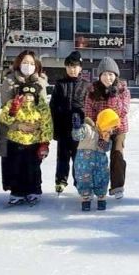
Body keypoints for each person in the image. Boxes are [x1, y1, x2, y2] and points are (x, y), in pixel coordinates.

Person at [0, 50, 49, 194]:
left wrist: (40, 126)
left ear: (37, 65)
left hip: (34, 132)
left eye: (32, 63)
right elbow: (5, 109)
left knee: (33, 163)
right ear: (19, 63)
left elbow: (43, 107)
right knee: (15, 163)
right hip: (14, 131)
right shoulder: (9, 81)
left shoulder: (40, 82)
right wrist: (17, 125)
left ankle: (34, 190)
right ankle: (17, 191)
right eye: (25, 62)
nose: (28, 66)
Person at [0, 82, 53, 205]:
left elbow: (47, 125)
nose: (28, 98)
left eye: (31, 95)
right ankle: (17, 192)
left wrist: (45, 143)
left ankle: (34, 191)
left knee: (32, 168)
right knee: (16, 167)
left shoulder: (42, 106)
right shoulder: (12, 104)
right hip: (15, 141)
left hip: (34, 143)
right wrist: (13, 111)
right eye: (25, 95)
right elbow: (4, 119)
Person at [84, 57, 130, 199]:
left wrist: (113, 95)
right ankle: (95, 185)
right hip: (100, 129)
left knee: (117, 154)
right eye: (104, 74)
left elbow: (123, 111)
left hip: (118, 128)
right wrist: (96, 128)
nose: (107, 77)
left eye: (111, 74)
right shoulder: (92, 90)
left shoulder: (122, 90)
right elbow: (88, 112)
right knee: (97, 156)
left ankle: (117, 187)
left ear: (116, 75)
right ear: (99, 76)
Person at [49, 51, 89, 194]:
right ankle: (60, 181)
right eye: (70, 66)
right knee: (62, 156)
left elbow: (89, 107)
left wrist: (84, 122)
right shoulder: (60, 84)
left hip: (79, 129)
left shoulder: (86, 85)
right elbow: (52, 106)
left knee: (79, 158)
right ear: (66, 67)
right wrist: (55, 128)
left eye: (76, 66)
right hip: (63, 127)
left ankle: (79, 182)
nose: (73, 69)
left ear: (80, 68)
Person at [72, 109, 120, 211]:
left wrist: (105, 139)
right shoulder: (87, 129)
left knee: (102, 179)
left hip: (100, 163)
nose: (111, 131)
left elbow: (106, 148)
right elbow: (77, 136)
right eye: (111, 127)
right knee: (84, 180)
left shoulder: (106, 135)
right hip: (84, 163)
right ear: (105, 123)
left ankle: (101, 198)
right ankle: (85, 199)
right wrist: (77, 128)